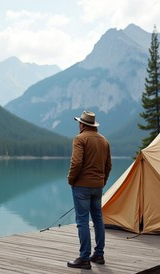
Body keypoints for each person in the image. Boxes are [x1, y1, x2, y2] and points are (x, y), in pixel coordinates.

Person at [67, 110, 112, 270]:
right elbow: (108, 166)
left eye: (79, 122)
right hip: (98, 187)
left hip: (82, 187)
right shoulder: (104, 141)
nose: (78, 125)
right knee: (98, 218)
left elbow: (76, 163)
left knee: (82, 220)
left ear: (82, 124)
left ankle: (84, 258)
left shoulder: (80, 139)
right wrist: (102, 181)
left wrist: (71, 180)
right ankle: (99, 254)